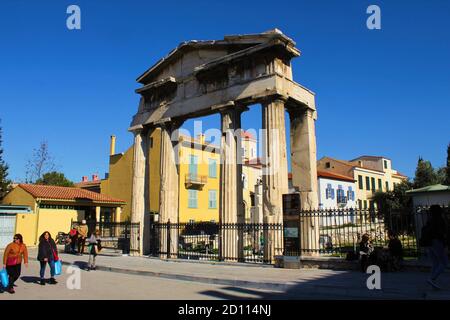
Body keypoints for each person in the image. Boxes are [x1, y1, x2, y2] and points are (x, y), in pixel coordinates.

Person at [426, 205, 448, 289]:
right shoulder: (440, 220)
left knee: (435, 263)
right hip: (437, 242)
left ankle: (432, 281)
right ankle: (432, 278)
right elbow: (442, 233)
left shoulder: (429, 220)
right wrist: (445, 244)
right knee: (444, 263)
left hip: (429, 243)